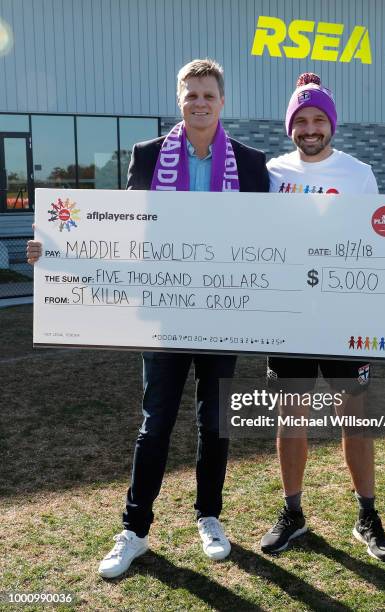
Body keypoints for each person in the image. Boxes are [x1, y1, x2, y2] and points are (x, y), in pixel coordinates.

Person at [27, 58, 269, 577]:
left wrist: (383, 223)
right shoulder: (148, 155)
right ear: (178, 100)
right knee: (155, 422)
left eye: (208, 94)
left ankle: (209, 516)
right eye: (190, 94)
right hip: (161, 312)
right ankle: (134, 530)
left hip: (224, 312)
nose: (199, 102)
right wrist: (55, 249)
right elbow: (118, 229)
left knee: (214, 422)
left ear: (222, 102)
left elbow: (286, 231)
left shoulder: (251, 163)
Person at [260, 73, 385, 562]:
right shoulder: (271, 172)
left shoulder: (358, 173)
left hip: (345, 315)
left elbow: (380, 237)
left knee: (355, 414)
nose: (310, 129)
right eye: (301, 121)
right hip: (289, 313)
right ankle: (293, 514)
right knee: (292, 415)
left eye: (318, 120)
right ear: (291, 126)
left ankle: (367, 516)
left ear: (331, 124)